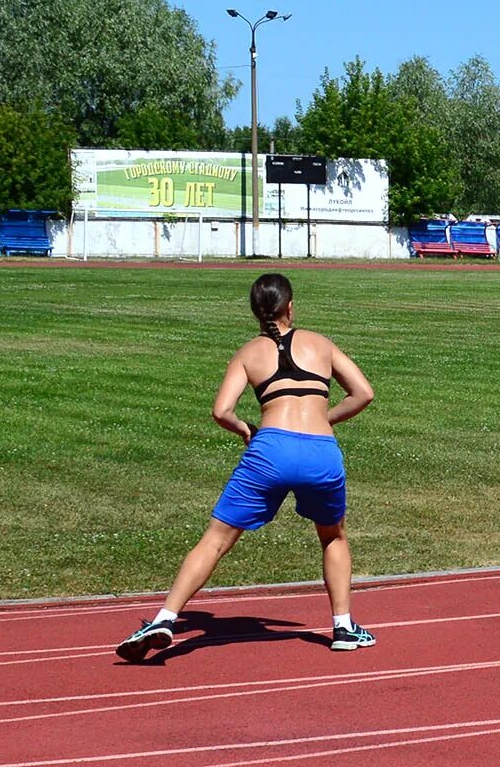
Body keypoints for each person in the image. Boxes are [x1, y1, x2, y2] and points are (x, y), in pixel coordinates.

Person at [118, 272, 376, 661]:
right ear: (290, 306)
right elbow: (363, 393)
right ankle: (343, 627)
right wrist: (326, 420)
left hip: (270, 449)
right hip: (322, 451)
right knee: (333, 536)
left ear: (255, 312)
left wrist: (246, 429)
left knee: (217, 538)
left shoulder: (247, 353)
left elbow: (221, 411)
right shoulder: (320, 344)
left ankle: (165, 618)